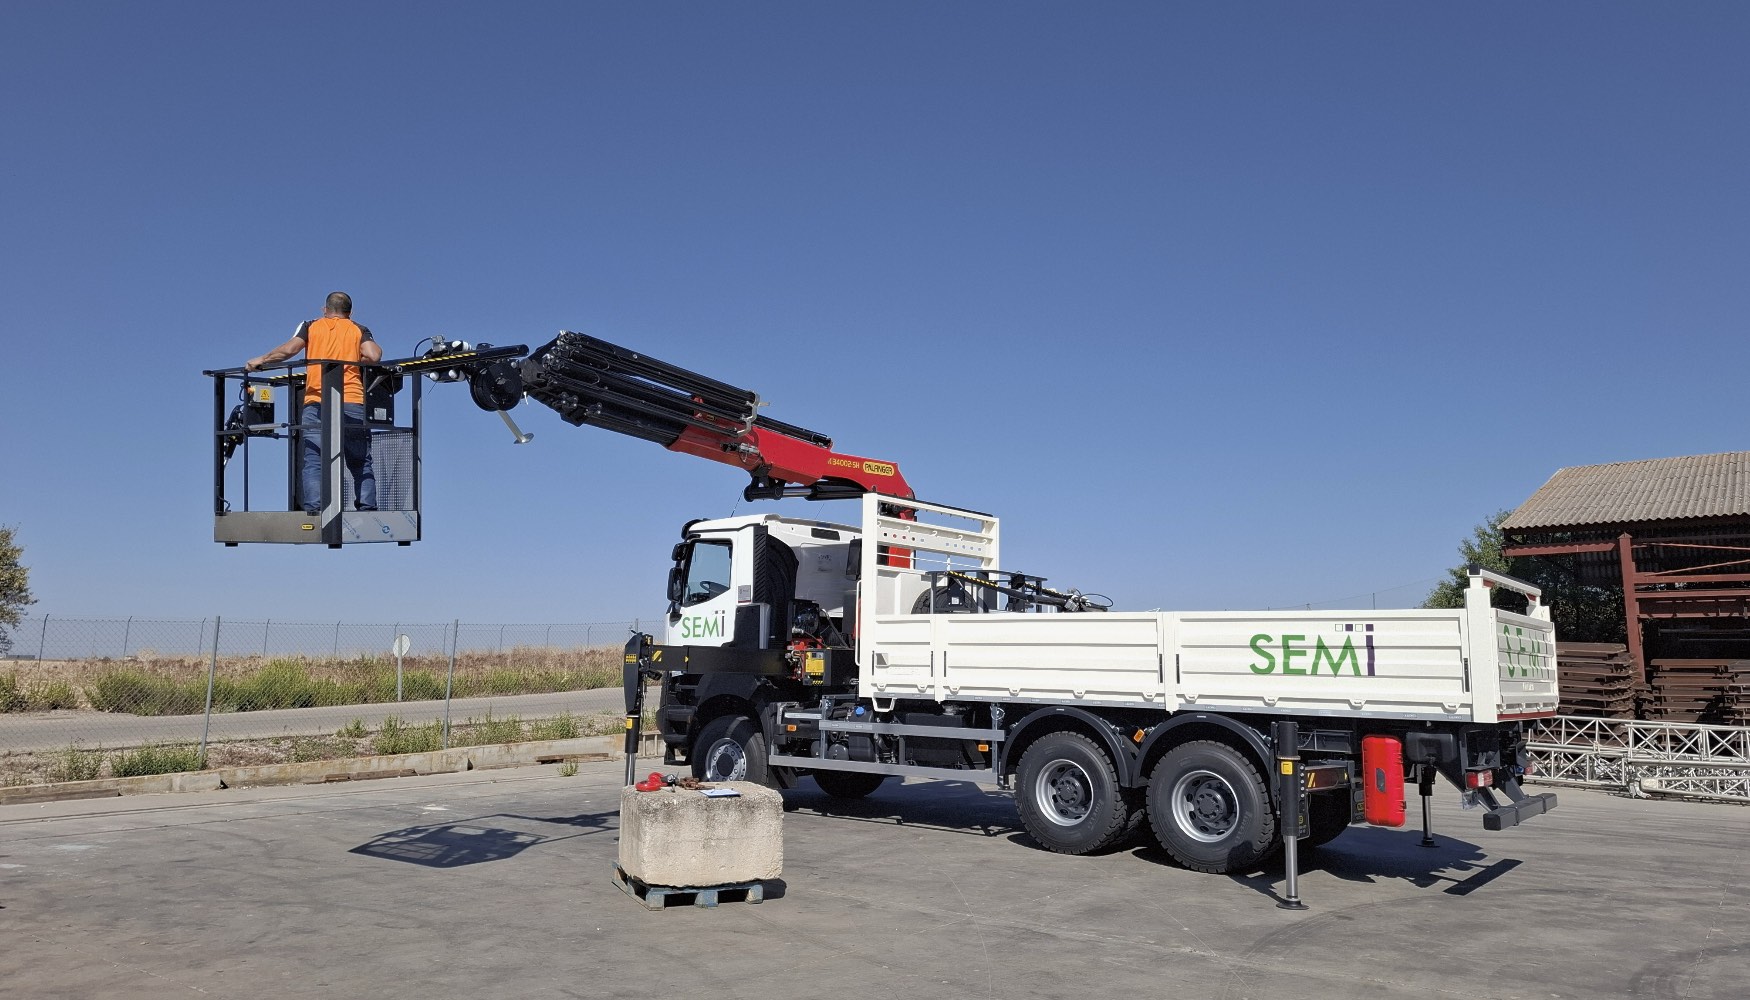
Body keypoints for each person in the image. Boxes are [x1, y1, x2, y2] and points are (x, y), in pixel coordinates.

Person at [246, 292, 383, 515]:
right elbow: (374, 355)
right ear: (350, 312)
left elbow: (289, 350)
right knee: (360, 461)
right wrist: (353, 359)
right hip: (352, 400)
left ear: (324, 309)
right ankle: (367, 508)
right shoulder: (358, 328)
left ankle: (315, 510)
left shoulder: (311, 326)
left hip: (317, 401)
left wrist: (261, 360)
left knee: (314, 459)